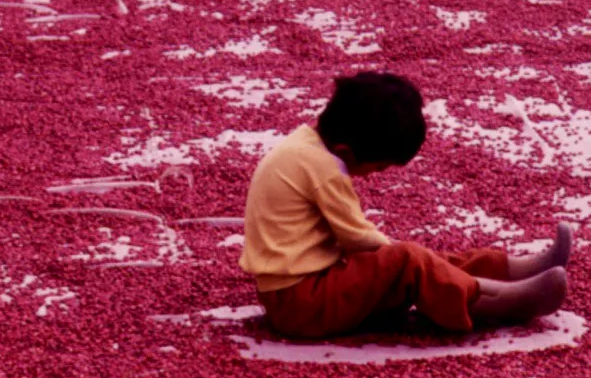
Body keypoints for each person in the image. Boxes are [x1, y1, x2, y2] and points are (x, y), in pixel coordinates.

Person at [239, 71, 569, 339]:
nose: (372, 176)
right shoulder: (324, 169)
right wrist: (405, 255)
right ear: (347, 152)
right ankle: (501, 300)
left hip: (301, 291)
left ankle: (515, 268)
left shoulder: (304, 143)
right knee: (409, 259)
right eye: (379, 168)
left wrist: (417, 258)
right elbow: (358, 239)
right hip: (301, 304)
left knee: (421, 260)